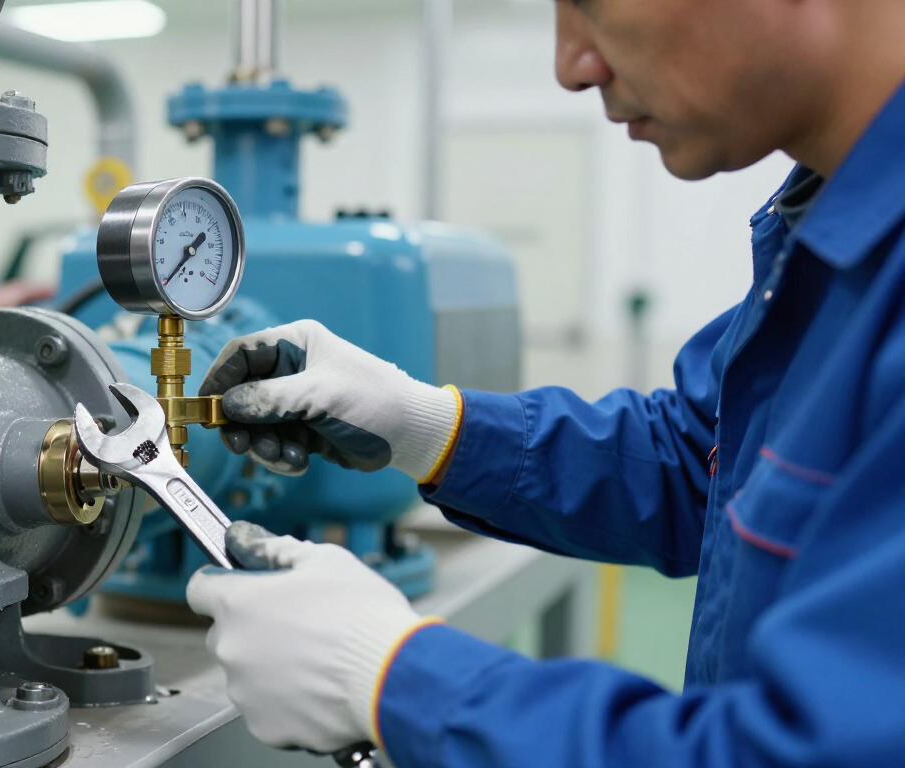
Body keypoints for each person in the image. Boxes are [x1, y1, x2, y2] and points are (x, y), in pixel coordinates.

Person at [183, 0, 905, 765]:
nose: (571, 66)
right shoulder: (826, 233)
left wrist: (395, 679)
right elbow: (703, 462)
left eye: (591, 4)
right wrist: (427, 426)